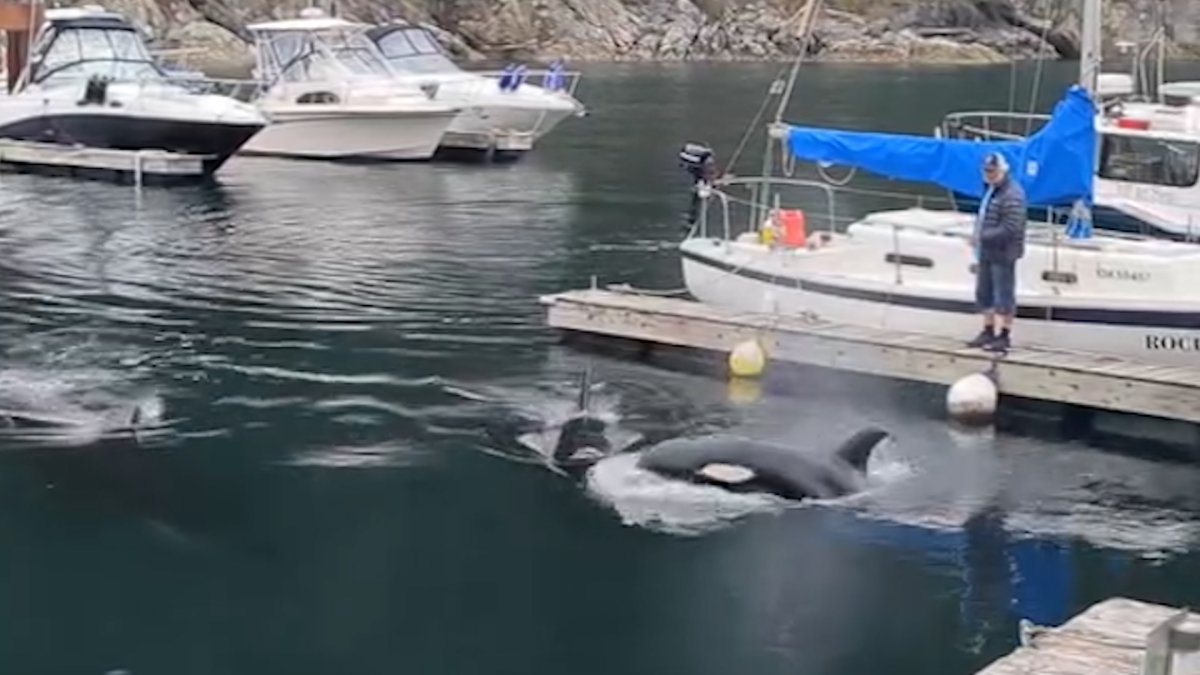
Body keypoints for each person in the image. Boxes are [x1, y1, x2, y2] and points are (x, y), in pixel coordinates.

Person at [967, 152, 1027, 353]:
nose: (989, 175)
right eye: (986, 171)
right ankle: (988, 329)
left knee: (1004, 294)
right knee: (984, 292)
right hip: (987, 251)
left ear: (1003, 170)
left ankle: (1004, 335)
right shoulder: (991, 191)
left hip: (1004, 252)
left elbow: (1012, 227)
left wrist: (983, 236)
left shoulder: (1013, 194)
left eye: (993, 171)